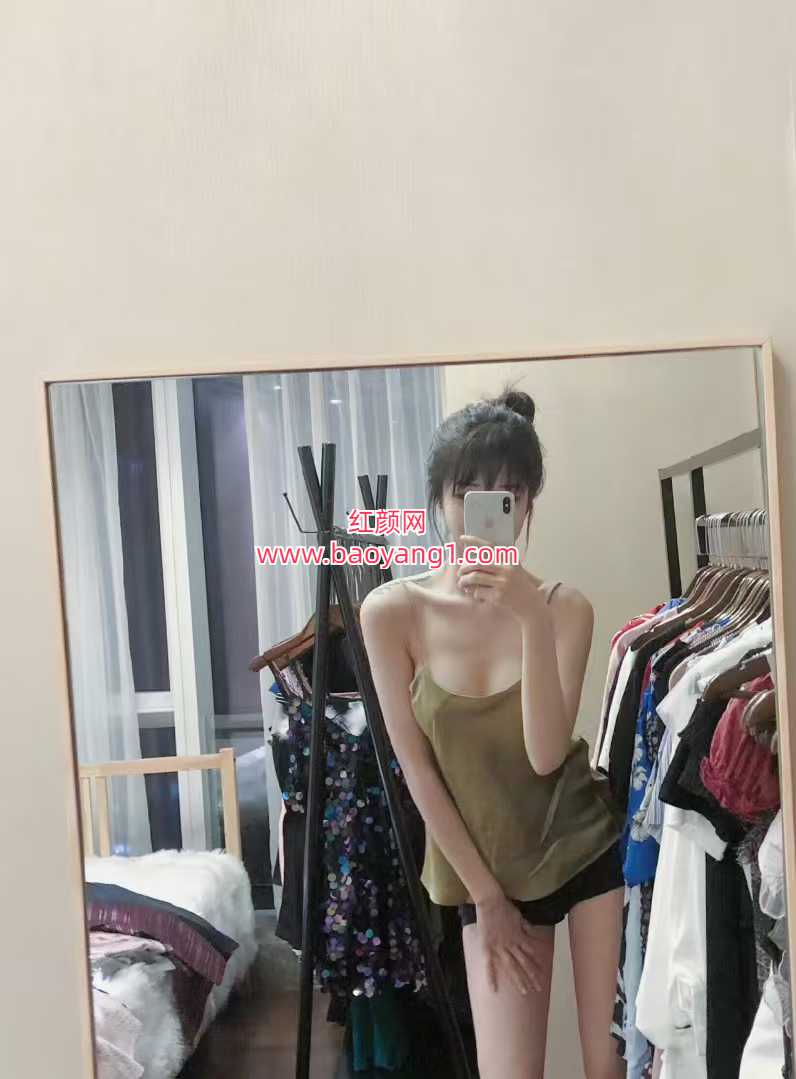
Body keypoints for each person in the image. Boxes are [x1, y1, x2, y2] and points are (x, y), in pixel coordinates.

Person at [360, 388, 626, 1079]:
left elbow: (545, 754)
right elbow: (417, 769)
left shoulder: (564, 608)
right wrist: (487, 898)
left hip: (583, 846)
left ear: (528, 504)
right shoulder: (392, 612)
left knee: (609, 1067)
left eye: (507, 495)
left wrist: (529, 618)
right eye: (466, 493)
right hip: (489, 869)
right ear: (440, 500)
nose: (483, 511)